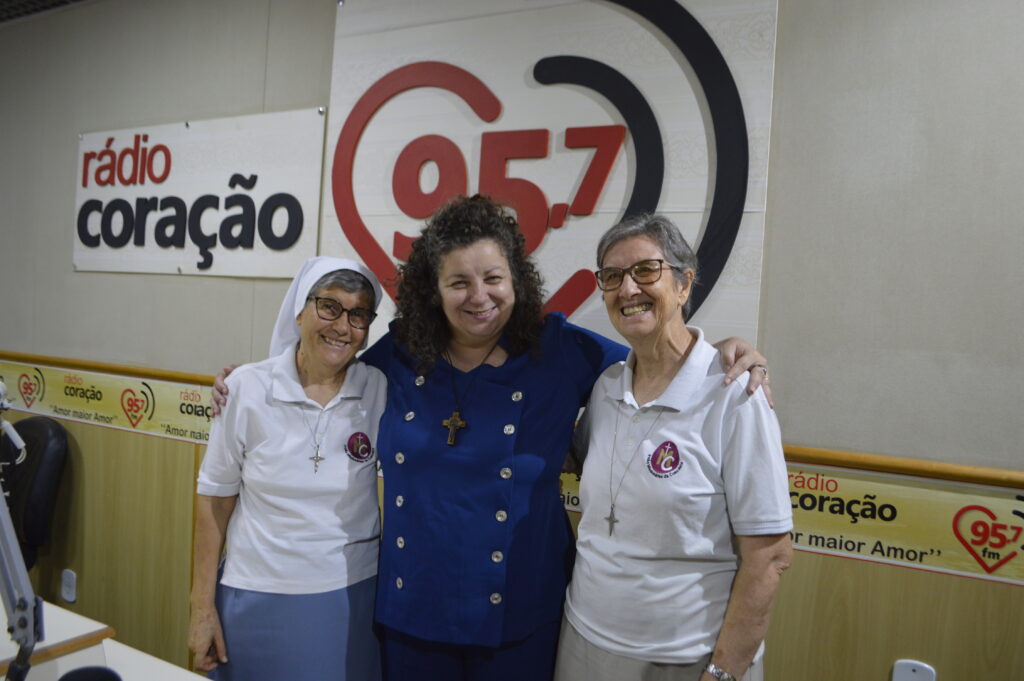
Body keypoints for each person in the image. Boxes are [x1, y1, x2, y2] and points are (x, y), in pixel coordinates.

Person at [212, 195, 771, 681]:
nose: (478, 296)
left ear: (517, 282)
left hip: (522, 615)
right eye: (458, 282)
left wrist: (723, 349)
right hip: (411, 614)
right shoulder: (400, 353)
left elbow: (656, 359)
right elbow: (324, 366)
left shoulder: (560, 351)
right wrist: (248, 379)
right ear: (434, 290)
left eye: (493, 279)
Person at [553, 214, 792, 681]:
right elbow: (574, 461)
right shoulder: (604, 388)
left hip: (684, 655)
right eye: (612, 276)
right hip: (583, 638)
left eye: (645, 270)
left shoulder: (734, 394)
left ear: (684, 284)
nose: (627, 289)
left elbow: (770, 556)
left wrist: (722, 673)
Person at [189, 257, 387, 681]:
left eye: (358, 315)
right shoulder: (244, 388)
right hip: (255, 591)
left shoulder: (380, 388)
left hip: (352, 594)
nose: (341, 326)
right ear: (299, 311)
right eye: (329, 306)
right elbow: (214, 502)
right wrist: (201, 608)